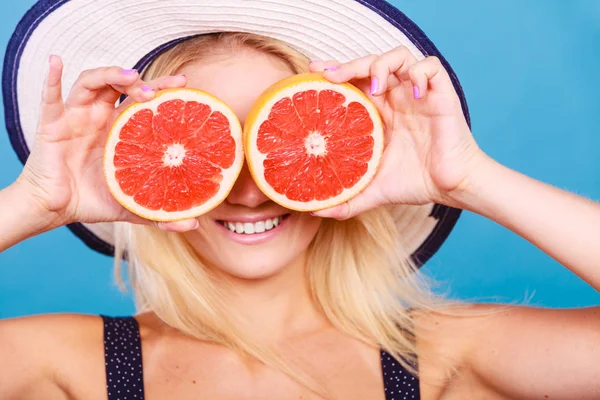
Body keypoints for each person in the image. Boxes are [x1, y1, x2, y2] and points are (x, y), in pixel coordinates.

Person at [1, 1, 599, 399]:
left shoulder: (442, 357)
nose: (249, 189)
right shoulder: (72, 363)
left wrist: (468, 178)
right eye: (214, 150)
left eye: (275, 144)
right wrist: (33, 202)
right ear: (150, 164)